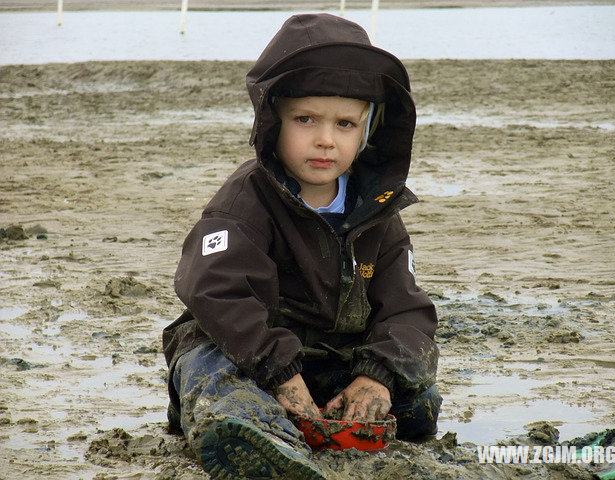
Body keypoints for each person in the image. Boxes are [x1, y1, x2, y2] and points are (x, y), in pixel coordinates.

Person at [162, 13, 442, 479]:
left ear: (368, 130)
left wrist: (376, 376)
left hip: (328, 365)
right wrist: (277, 372)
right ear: (274, 121)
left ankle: (316, 420)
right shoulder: (244, 203)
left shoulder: (377, 213)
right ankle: (250, 435)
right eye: (305, 119)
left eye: (345, 124)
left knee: (419, 402)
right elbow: (214, 290)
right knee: (209, 370)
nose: (326, 139)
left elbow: (407, 310)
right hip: (249, 356)